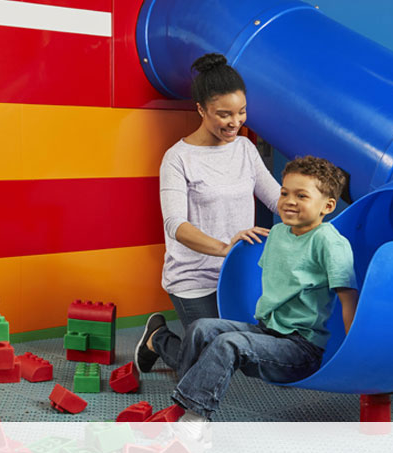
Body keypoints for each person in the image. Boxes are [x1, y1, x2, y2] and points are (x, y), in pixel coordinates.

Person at [135, 156, 358, 424]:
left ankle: (194, 420)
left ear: (328, 206)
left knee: (227, 343)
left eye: (302, 196)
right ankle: (183, 400)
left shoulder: (329, 242)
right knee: (201, 329)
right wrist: (237, 242)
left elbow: (348, 298)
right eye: (285, 193)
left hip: (301, 347)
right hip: (267, 331)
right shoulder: (277, 233)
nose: (289, 201)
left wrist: (351, 354)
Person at [158, 52, 280, 330]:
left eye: (241, 112)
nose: (235, 122)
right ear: (201, 110)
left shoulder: (245, 149)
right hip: (194, 278)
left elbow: (275, 199)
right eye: (224, 114)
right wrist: (227, 249)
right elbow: (175, 225)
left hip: (237, 272)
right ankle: (159, 339)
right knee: (211, 354)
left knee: (246, 352)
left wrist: (310, 208)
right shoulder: (177, 158)